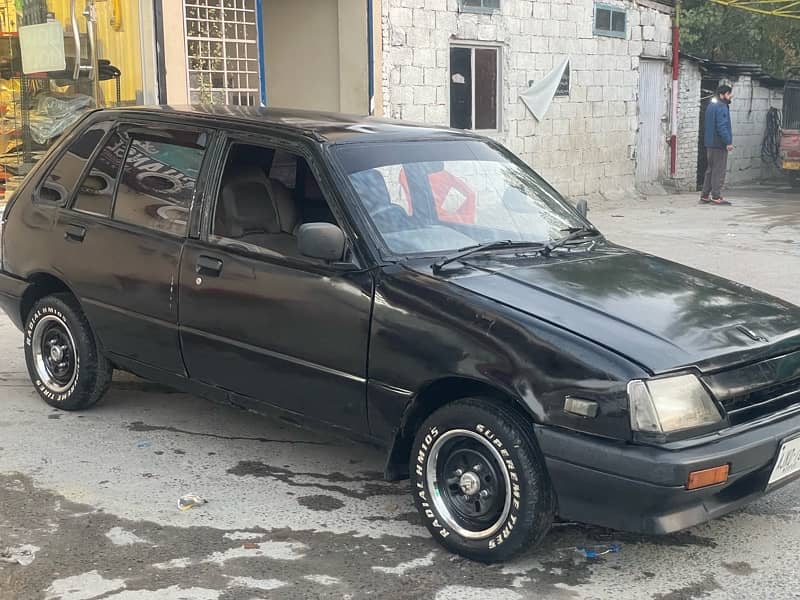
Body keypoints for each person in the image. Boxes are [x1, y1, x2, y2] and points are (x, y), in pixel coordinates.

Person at [700, 85, 734, 206]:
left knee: (710, 169)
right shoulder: (721, 107)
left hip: (709, 143)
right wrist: (728, 142)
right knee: (718, 170)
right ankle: (716, 196)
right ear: (722, 95)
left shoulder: (711, 105)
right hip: (719, 144)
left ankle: (704, 195)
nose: (731, 96)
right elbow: (722, 126)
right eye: (729, 94)